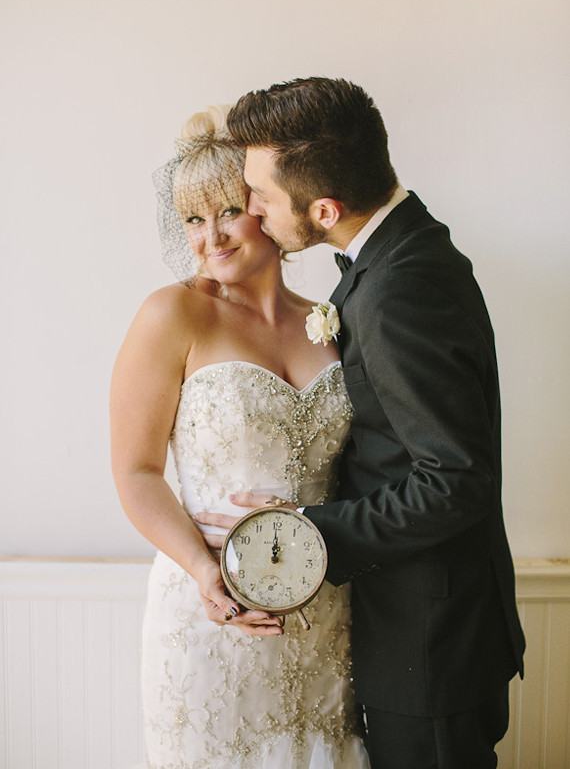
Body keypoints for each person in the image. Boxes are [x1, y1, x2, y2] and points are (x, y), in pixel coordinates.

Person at [197, 79, 526, 769]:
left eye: (259, 195)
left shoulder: (400, 288)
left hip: (431, 639)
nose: (251, 212)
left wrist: (308, 534)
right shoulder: (395, 259)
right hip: (413, 625)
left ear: (324, 208)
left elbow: (456, 481)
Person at [110, 104, 370, 769]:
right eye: (192, 219)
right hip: (208, 615)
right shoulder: (171, 314)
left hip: (323, 614)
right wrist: (206, 575)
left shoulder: (333, 321)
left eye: (227, 210)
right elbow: (135, 472)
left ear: (266, 208)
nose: (209, 237)